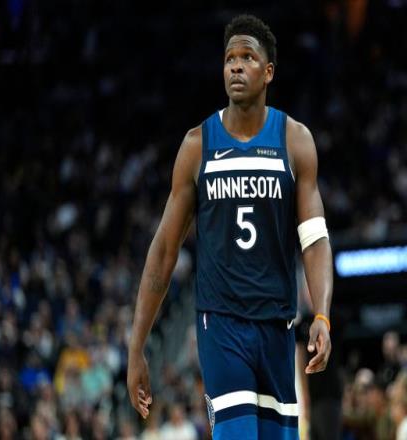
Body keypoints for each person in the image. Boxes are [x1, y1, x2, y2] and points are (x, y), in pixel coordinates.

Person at [127, 14, 334, 440]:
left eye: (247, 58)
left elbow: (314, 241)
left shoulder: (295, 141)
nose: (236, 66)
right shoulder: (197, 145)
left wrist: (322, 315)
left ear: (268, 71)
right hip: (221, 325)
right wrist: (137, 345)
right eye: (229, 59)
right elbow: (164, 251)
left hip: (277, 325)